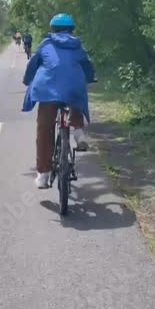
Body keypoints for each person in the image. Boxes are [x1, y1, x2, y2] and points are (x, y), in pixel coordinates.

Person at [22, 13, 95, 189]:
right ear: (71, 30)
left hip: (47, 89)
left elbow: (33, 64)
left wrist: (27, 80)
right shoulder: (77, 45)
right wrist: (91, 77)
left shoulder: (46, 44)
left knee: (45, 128)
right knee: (75, 93)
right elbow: (87, 65)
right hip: (72, 88)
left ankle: (43, 175)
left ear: (53, 29)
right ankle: (78, 132)